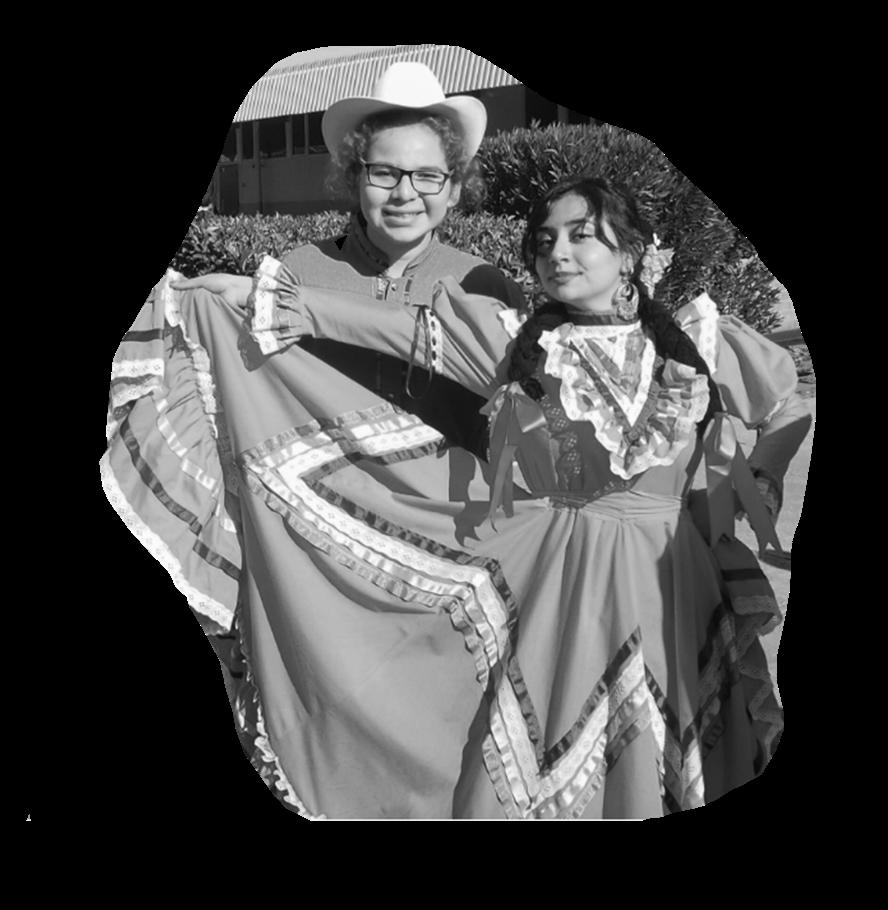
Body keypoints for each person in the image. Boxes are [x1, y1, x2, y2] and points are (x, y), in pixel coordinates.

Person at [235, 176, 811, 818]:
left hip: (675, 583)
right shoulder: (518, 346)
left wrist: (762, 478)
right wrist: (272, 303)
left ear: (630, 254)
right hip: (562, 590)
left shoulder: (700, 342)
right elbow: (400, 330)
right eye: (543, 241)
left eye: (580, 236)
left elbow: (788, 405)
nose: (557, 253)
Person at [103, 62, 523, 820]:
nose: (405, 193)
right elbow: (238, 395)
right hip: (316, 567)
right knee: (326, 740)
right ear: (353, 176)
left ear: (455, 188)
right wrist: (202, 308)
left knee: (449, 744)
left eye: (428, 176)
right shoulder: (295, 271)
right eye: (384, 172)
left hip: (446, 562)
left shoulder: (485, 284)